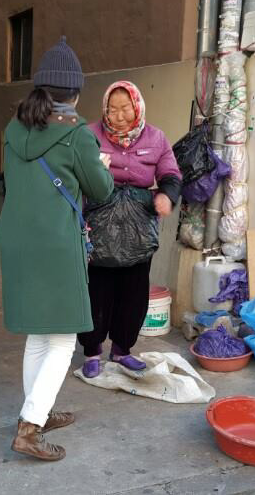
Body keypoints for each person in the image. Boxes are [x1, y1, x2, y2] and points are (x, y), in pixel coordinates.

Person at [0, 38, 114, 461]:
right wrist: (102, 166)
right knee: (64, 338)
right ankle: (30, 428)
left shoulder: (14, 128)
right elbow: (101, 189)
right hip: (55, 244)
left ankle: (37, 410)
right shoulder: (78, 135)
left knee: (39, 332)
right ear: (75, 94)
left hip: (17, 239)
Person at [78, 81, 182, 378]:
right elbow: (74, 172)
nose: (119, 116)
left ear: (137, 107)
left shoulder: (156, 138)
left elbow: (171, 174)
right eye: (112, 110)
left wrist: (167, 195)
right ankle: (92, 352)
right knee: (96, 291)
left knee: (133, 293)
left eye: (125, 108)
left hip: (139, 227)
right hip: (98, 226)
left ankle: (122, 350)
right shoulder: (89, 135)